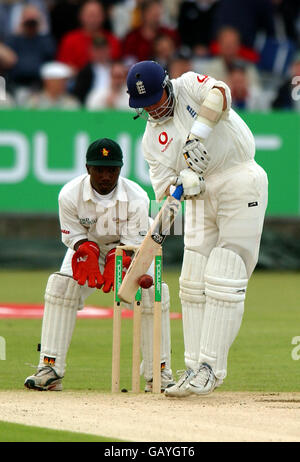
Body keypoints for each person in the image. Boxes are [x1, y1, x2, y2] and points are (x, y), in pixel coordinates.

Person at [126, 60, 268, 397]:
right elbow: (164, 192)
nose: (153, 108)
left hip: (238, 179)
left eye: (156, 99)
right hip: (199, 199)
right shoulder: (151, 140)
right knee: (191, 279)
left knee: (224, 273)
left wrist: (196, 137)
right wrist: (185, 182)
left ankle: (210, 368)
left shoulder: (189, 84)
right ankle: (191, 368)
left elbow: (221, 93)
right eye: (144, 105)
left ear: (167, 85)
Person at [24, 137, 174, 393]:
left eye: (112, 170)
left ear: (120, 169)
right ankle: (50, 368)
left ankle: (158, 373)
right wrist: (86, 250)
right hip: (89, 248)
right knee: (61, 286)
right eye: (99, 169)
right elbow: (71, 235)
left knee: (151, 292)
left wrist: (118, 260)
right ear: (87, 168)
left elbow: (131, 245)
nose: (106, 176)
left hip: (131, 249)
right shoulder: (69, 195)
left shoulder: (136, 196)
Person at [57, 0, 121, 73]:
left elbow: (118, 67)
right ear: (80, 16)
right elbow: (63, 68)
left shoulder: (113, 40)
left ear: (104, 16)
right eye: (89, 15)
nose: (93, 19)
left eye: (97, 15)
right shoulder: (69, 40)